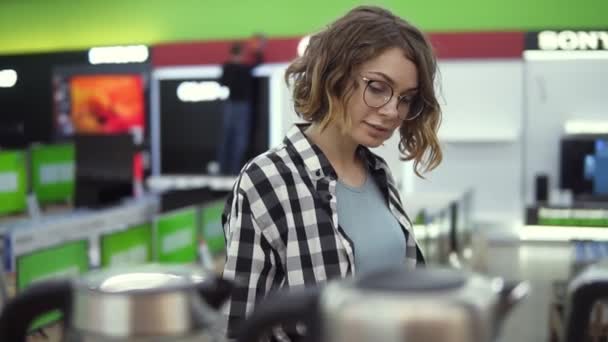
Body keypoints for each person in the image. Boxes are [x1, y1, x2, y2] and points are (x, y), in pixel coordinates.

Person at [220, 5, 442, 340]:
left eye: (406, 98)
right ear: (334, 76)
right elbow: (239, 327)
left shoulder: (379, 174)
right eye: (378, 87)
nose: (393, 111)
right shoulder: (266, 180)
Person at [217, 39, 264, 175]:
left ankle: (223, 169)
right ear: (242, 53)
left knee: (227, 138)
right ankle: (233, 170)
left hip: (230, 105)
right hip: (241, 106)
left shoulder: (228, 67)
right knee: (238, 139)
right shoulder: (243, 68)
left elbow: (222, 83)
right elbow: (257, 63)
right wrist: (258, 51)